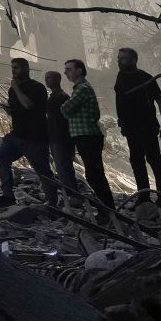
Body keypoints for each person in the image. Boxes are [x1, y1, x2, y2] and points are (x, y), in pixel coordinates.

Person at [0, 58, 57, 208]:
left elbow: (28, 105)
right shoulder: (13, 90)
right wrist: (9, 110)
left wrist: (16, 88)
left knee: (43, 171)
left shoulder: (37, 87)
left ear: (26, 68)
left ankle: (52, 203)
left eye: (17, 68)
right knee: (1, 157)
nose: (13, 71)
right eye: (12, 68)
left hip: (34, 137)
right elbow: (18, 109)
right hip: (17, 134)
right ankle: (8, 196)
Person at [114, 48, 161, 209]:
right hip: (130, 128)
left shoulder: (145, 78)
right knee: (136, 161)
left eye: (123, 58)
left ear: (133, 60)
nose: (119, 61)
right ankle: (143, 197)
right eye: (119, 58)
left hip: (146, 126)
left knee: (154, 160)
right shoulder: (120, 77)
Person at [60, 59, 115, 219]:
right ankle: (108, 210)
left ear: (79, 70)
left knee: (94, 174)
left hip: (88, 136)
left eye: (69, 69)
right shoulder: (81, 88)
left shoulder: (82, 88)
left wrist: (65, 108)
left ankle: (108, 210)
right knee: (94, 174)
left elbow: (66, 109)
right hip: (86, 136)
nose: (66, 73)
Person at [44, 71, 82, 207]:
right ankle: (72, 196)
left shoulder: (60, 97)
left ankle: (74, 197)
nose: (47, 80)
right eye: (46, 78)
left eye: (50, 77)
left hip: (62, 139)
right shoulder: (57, 97)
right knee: (63, 169)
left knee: (64, 168)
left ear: (58, 79)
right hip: (57, 138)